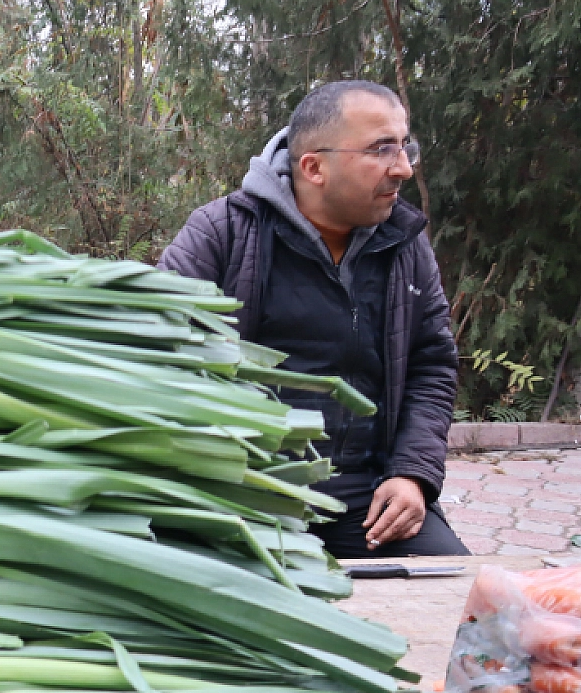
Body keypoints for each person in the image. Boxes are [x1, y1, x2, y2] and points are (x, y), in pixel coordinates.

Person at [158, 80, 469, 558]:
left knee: (453, 593)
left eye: (405, 146)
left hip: (366, 496)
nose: (404, 167)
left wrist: (412, 474)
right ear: (314, 167)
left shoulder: (405, 244)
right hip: (244, 496)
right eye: (383, 149)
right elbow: (159, 355)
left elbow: (433, 365)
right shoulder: (222, 235)